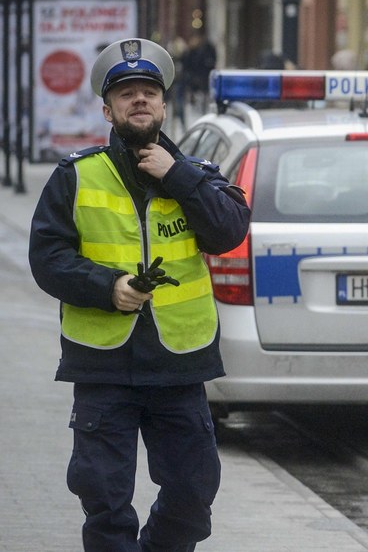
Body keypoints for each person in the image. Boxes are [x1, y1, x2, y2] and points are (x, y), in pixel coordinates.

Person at [28, 38, 251, 551]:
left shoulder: (198, 176)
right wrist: (108, 287)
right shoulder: (75, 177)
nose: (140, 100)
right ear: (108, 109)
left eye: (149, 90)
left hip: (179, 368)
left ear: (165, 105)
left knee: (192, 497)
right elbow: (48, 259)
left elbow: (228, 233)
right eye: (127, 93)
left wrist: (180, 178)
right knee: (105, 503)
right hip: (104, 369)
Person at [180, 31, 217, 120]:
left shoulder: (206, 49)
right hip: (194, 80)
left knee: (203, 98)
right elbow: (187, 64)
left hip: (203, 78)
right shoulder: (191, 51)